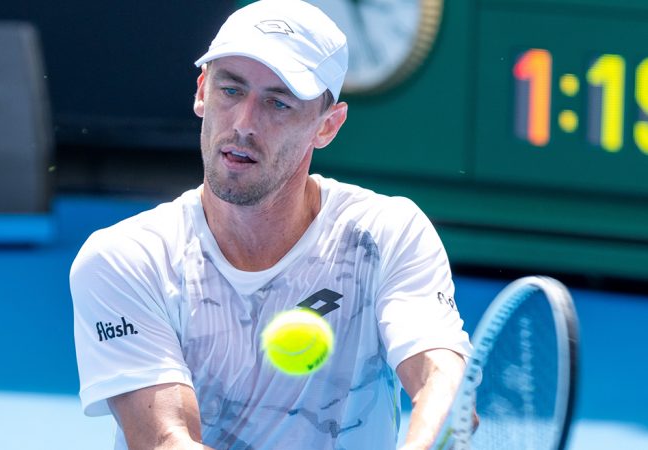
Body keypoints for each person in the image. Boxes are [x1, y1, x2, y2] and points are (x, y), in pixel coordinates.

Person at [70, 1, 473, 449]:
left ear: (327, 126)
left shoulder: (386, 234)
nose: (244, 125)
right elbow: (166, 440)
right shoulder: (125, 259)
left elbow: (443, 382)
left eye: (278, 103)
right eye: (231, 91)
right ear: (202, 91)